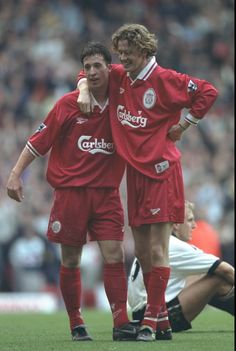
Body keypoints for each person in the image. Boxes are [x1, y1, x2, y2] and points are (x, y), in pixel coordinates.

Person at [77, 24, 218, 341]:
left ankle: (151, 322)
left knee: (157, 250)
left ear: (143, 50)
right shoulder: (121, 77)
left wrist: (184, 124)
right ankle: (163, 324)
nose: (122, 58)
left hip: (161, 172)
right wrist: (84, 89)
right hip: (135, 175)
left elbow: (208, 92)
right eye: (120, 53)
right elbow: (89, 72)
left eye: (127, 52)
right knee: (141, 252)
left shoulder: (166, 80)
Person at [6, 43, 138, 342]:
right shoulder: (67, 104)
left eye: (97, 66)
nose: (92, 72)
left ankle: (120, 321)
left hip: (107, 194)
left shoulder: (121, 102)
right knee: (70, 260)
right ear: (83, 70)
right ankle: (76, 322)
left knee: (114, 254)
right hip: (71, 194)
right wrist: (15, 173)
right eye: (87, 67)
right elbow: (37, 142)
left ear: (109, 69)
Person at [128, 201, 234, 336]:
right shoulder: (174, 245)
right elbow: (225, 269)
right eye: (190, 220)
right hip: (160, 317)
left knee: (204, 275)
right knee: (218, 278)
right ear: (176, 225)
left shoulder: (155, 242)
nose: (194, 225)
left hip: (142, 315)